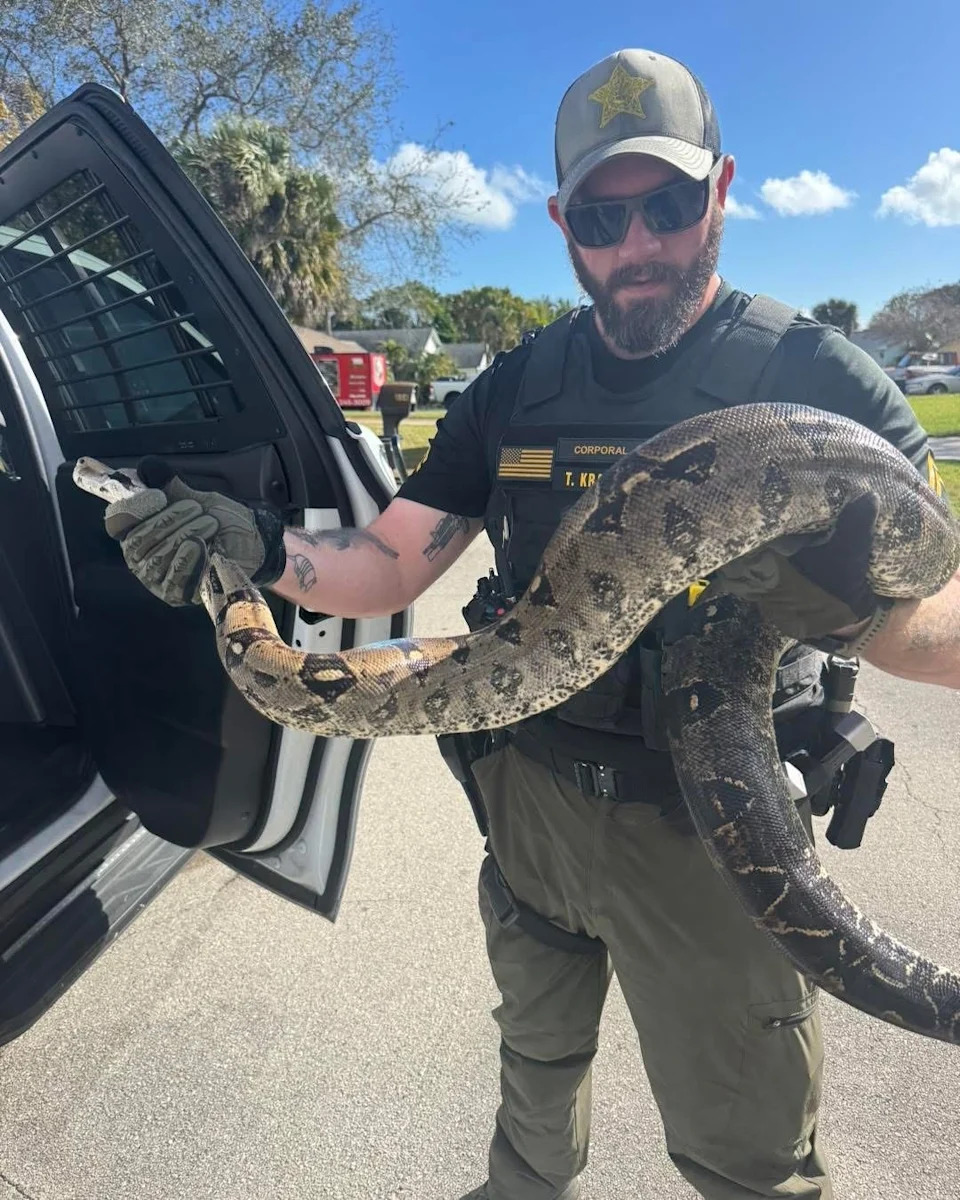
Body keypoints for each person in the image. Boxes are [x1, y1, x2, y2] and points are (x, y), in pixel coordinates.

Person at [104, 48, 960, 1200]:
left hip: (707, 838)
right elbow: (392, 559)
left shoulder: (818, 379)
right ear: (562, 221)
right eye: (603, 218)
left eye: (665, 206)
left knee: (745, 1149)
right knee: (537, 1068)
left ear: (721, 189)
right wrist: (255, 551)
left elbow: (943, 604)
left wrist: (856, 615)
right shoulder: (519, 381)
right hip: (533, 800)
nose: (636, 245)